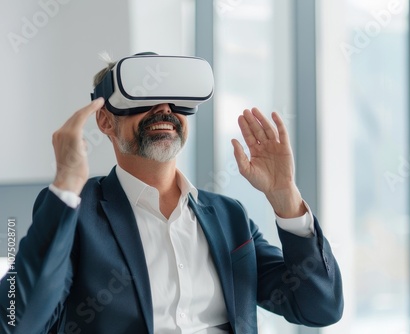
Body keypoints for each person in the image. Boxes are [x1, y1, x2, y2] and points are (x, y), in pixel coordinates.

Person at [0, 54, 343, 334]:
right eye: (143, 95)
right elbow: (16, 321)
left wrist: (285, 198)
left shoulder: (229, 217)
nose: (164, 108)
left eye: (176, 97)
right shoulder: (76, 210)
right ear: (105, 121)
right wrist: (65, 187)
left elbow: (320, 307)